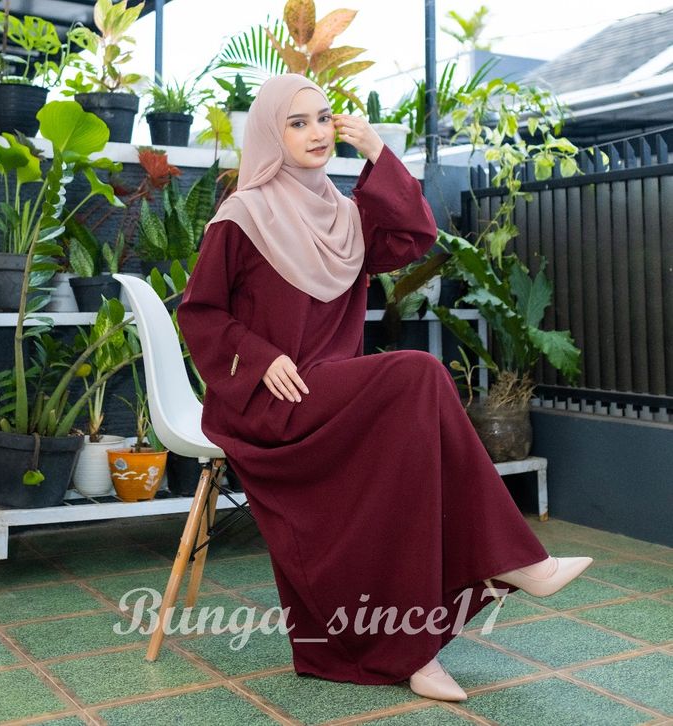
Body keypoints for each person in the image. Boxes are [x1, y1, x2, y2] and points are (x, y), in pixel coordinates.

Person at [177, 73, 591, 702]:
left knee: (410, 462)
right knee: (420, 372)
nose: (316, 132)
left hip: (332, 394)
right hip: (271, 405)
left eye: (324, 118)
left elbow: (412, 237)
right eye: (297, 122)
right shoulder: (242, 216)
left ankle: (418, 650)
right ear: (269, 133)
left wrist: (376, 151)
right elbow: (201, 313)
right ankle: (513, 560)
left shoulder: (346, 218)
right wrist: (259, 358)